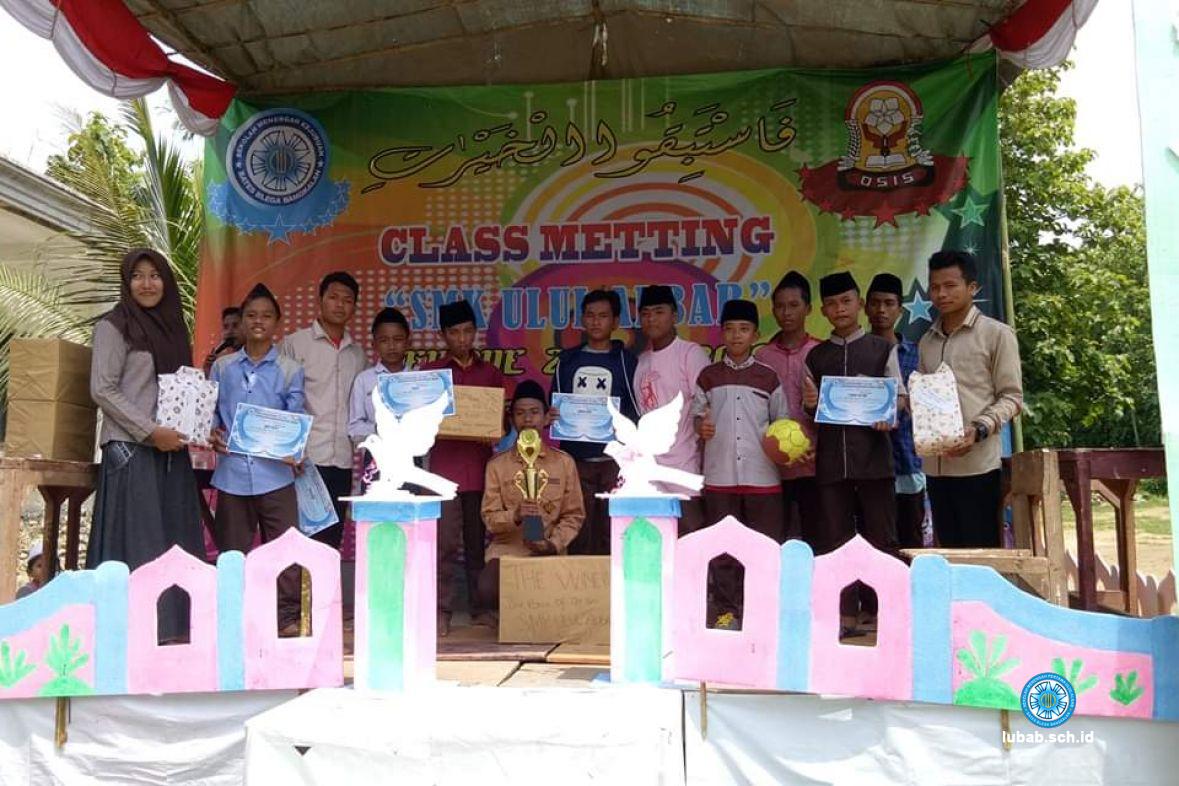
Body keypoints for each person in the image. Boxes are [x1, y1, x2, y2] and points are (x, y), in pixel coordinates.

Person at [87, 248, 203, 641]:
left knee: (172, 540)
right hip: (131, 450)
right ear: (127, 282)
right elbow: (102, 389)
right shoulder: (114, 326)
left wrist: (196, 429)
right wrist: (151, 431)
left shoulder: (173, 327)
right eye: (137, 275)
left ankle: (170, 631)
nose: (147, 284)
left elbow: (180, 390)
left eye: (155, 275)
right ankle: (130, 634)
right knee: (138, 543)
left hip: (169, 452)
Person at [209, 284, 306, 636]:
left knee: (285, 549)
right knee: (232, 552)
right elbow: (210, 415)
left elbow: (295, 417)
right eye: (251, 315)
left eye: (266, 316)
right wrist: (213, 433)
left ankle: (287, 617)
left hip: (275, 475)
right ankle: (234, 619)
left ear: (277, 322)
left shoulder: (290, 369)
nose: (258, 321)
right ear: (241, 322)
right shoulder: (222, 368)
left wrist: (294, 444)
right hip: (232, 475)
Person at [692, 299, 787, 627]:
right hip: (719, 477)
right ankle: (726, 613)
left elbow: (782, 424)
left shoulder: (768, 377)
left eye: (744, 329)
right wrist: (700, 427)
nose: (736, 336)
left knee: (764, 548)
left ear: (755, 335)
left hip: (763, 478)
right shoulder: (708, 376)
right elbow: (697, 417)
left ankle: (763, 613)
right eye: (730, 329)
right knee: (723, 550)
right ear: (722, 334)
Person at [918, 250, 1023, 548]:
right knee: (949, 556)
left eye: (950, 285)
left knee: (981, 555)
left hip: (978, 466)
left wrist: (978, 429)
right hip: (936, 467)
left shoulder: (997, 334)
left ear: (972, 287)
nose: (941, 294)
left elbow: (1012, 397)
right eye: (935, 287)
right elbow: (923, 398)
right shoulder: (927, 341)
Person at [421, 298, 507, 634]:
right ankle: (440, 610)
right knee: (444, 545)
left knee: (476, 543)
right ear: (443, 335)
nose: (462, 339)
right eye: (454, 332)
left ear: (476, 332)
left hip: (481, 470)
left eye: (468, 331)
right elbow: (419, 422)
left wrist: (494, 428)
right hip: (443, 472)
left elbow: (501, 423)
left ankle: (479, 608)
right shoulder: (432, 375)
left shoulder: (491, 373)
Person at [802, 272, 904, 557]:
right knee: (835, 545)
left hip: (875, 463)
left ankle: (882, 590)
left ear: (860, 304)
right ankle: (841, 591)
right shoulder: (816, 356)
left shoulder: (883, 349)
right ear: (823, 311)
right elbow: (811, 408)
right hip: (832, 465)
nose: (840, 309)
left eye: (846, 301)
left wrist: (889, 414)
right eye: (832, 304)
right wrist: (810, 404)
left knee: (882, 543)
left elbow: (900, 397)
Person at [476, 381, 585, 615]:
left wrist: (552, 544)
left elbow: (574, 515)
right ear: (512, 419)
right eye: (520, 413)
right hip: (508, 552)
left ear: (546, 418)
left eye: (534, 412)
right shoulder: (497, 465)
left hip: (549, 551)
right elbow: (489, 517)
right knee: (487, 589)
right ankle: (503, 619)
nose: (527, 419)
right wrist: (515, 515)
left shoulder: (564, 463)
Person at [549, 289, 639, 555]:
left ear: (615, 321)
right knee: (579, 527)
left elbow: (635, 410)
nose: (596, 321)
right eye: (590, 315)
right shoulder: (567, 360)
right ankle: (582, 581)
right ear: (582, 320)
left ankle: (612, 580)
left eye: (603, 316)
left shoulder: (627, 361)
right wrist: (551, 416)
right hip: (576, 461)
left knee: (614, 528)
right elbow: (554, 405)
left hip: (614, 462)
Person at [280, 272, 366, 548]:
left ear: (354, 307)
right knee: (299, 537)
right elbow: (280, 399)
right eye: (333, 297)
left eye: (347, 300)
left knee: (331, 541)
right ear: (320, 300)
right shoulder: (295, 344)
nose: (340, 305)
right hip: (304, 459)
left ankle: (327, 580)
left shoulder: (357, 354)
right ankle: (295, 580)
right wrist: (289, 450)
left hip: (342, 459)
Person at [633, 285, 711, 533]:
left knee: (691, 537)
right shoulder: (641, 361)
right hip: (650, 471)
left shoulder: (690, 353)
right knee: (656, 540)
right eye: (645, 313)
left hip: (685, 467)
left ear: (674, 315)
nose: (652, 319)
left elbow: (706, 408)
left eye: (659, 312)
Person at [754, 271, 823, 542]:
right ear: (773, 310)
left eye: (794, 305)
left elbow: (833, 410)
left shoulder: (821, 352)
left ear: (808, 308)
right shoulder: (762, 356)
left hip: (814, 464)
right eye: (780, 306)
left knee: (816, 539)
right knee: (775, 540)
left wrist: (820, 446)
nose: (787, 313)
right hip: (773, 466)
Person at [867, 273, 926, 548]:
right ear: (865, 307)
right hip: (866, 466)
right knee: (874, 543)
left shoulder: (918, 354)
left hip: (908, 460)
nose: (881, 310)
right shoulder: (855, 353)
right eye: (875, 303)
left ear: (900, 310)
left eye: (889, 303)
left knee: (911, 543)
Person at [348, 307, 414, 445]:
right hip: (376, 455)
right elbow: (354, 429)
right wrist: (379, 428)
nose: (391, 346)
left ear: (408, 343)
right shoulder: (364, 380)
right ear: (374, 345)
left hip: (414, 454)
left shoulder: (420, 379)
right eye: (384, 340)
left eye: (398, 339)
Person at [202, 306, 243, 373]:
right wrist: (208, 370)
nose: (230, 331)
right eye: (226, 327)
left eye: (235, 326)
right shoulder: (221, 359)